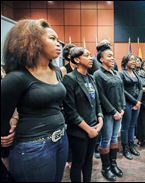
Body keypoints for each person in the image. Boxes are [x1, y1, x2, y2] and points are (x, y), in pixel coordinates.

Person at [1, 19, 68, 181]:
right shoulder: (16, 78)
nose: (58, 43)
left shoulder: (57, 72)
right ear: (32, 42)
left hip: (61, 139)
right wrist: (4, 143)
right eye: (52, 38)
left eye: (58, 39)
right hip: (33, 147)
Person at [62, 47, 103, 182]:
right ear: (77, 59)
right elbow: (70, 111)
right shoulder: (70, 79)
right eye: (87, 55)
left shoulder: (91, 78)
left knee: (89, 161)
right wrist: (88, 129)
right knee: (78, 163)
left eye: (91, 55)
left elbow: (97, 102)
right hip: (79, 131)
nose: (91, 58)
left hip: (94, 128)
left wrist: (100, 120)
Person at [93, 44, 125, 181]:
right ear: (101, 59)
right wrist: (113, 112)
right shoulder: (98, 74)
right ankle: (105, 168)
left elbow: (121, 91)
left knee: (114, 139)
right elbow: (101, 96)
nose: (112, 58)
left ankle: (113, 164)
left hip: (119, 112)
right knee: (106, 139)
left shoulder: (116, 73)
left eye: (113, 56)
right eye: (109, 56)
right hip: (107, 114)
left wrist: (122, 108)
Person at [120, 54, 143, 160]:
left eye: (135, 60)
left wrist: (138, 101)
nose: (134, 62)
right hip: (127, 103)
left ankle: (131, 145)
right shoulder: (122, 74)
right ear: (125, 62)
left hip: (136, 103)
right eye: (131, 60)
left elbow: (141, 89)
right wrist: (134, 101)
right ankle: (125, 148)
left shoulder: (136, 73)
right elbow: (122, 90)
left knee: (132, 126)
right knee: (125, 127)